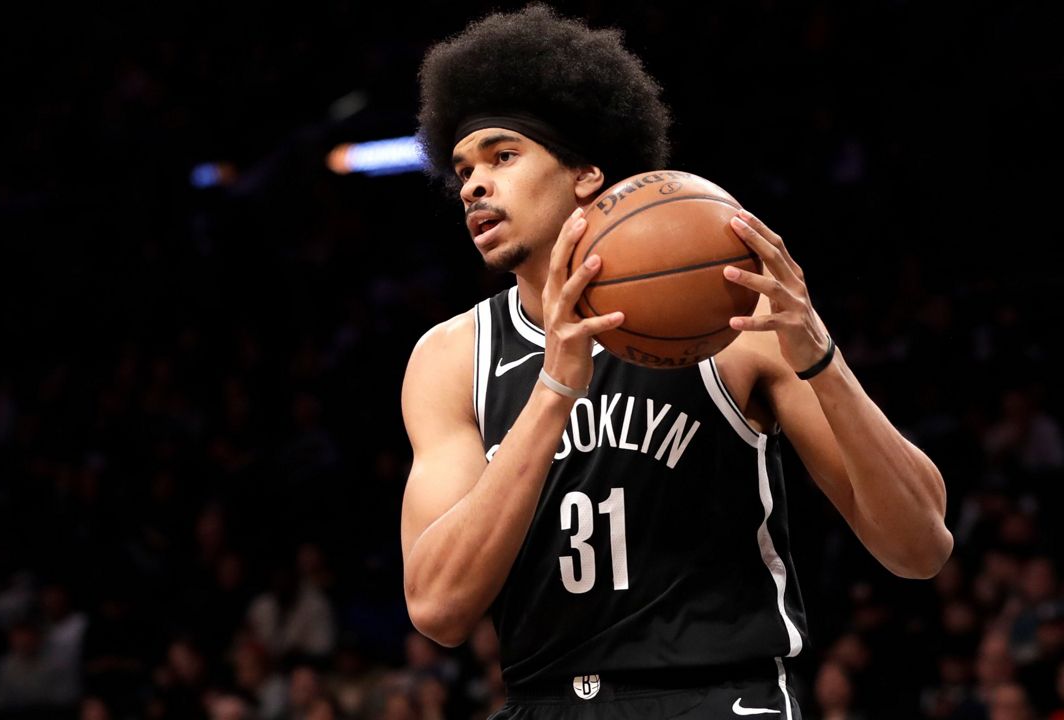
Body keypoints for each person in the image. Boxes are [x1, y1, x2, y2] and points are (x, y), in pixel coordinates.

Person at [398, 5, 953, 719]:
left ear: (587, 173)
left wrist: (821, 357)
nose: (473, 185)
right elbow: (438, 607)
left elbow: (920, 548)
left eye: (503, 156)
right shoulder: (450, 358)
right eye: (464, 168)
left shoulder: (732, 320)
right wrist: (556, 388)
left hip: (721, 696)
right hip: (544, 702)